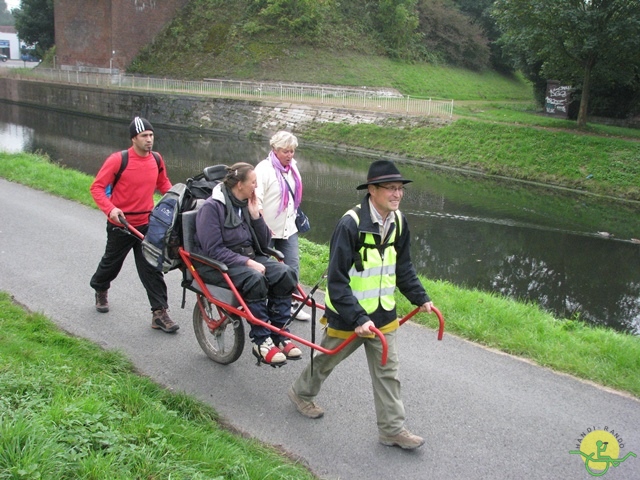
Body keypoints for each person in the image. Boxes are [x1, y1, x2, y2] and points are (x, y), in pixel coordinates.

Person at [288, 160, 435, 450]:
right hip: (348, 314)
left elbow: (403, 268)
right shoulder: (350, 224)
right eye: (391, 189)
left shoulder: (399, 222)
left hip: (383, 314)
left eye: (399, 189)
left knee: (388, 372)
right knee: (329, 358)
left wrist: (421, 297)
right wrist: (356, 317)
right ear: (372, 190)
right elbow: (337, 281)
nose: (397, 194)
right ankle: (301, 393)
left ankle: (392, 430)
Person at [193, 162, 303, 366]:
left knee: (285, 273)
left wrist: (256, 216)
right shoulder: (212, 207)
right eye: (253, 182)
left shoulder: (245, 204)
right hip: (219, 264)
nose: (256, 187)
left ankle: (279, 333)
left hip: (248, 258)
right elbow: (213, 250)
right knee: (255, 278)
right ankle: (261, 341)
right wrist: (247, 262)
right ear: (240, 184)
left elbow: (262, 244)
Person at [89, 116, 179, 333]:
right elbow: (97, 188)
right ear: (133, 139)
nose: (149, 140)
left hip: (147, 225)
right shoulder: (118, 160)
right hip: (121, 225)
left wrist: (175, 197)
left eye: (151, 135)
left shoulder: (156, 159)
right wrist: (111, 209)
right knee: (111, 264)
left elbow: (162, 183)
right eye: (144, 136)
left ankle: (159, 313)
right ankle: (100, 287)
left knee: (151, 268)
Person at [254, 131, 311, 321]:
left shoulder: (293, 167)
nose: (289, 155)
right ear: (274, 150)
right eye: (285, 151)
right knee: (265, 268)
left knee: (292, 266)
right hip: (267, 229)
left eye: (292, 151)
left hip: (288, 227)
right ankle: (262, 305)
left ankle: (291, 305)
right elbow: (256, 200)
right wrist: (262, 225)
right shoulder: (263, 169)